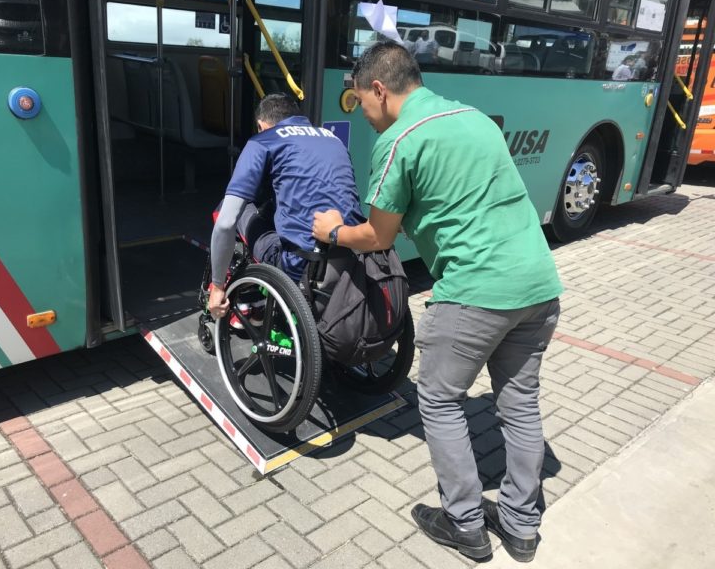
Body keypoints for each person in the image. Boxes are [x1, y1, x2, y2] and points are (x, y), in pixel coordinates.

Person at [312, 41, 562, 563]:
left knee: (440, 399)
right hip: (538, 284)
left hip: (474, 291)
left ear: (379, 89)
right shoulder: (474, 118)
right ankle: (520, 525)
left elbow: (378, 237)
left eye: (361, 103)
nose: (365, 118)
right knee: (518, 402)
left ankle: (464, 523)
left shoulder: (399, 139)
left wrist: (334, 232)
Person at [206, 93, 364, 323]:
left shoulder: (264, 140)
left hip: (299, 267)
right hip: (347, 256)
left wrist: (218, 286)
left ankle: (224, 285)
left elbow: (226, 223)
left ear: (261, 125)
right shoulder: (333, 138)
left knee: (226, 210)